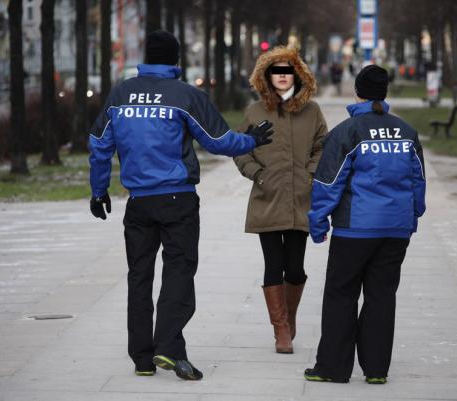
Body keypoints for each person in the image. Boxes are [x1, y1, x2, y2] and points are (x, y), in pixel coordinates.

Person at [88, 30, 273, 380]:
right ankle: (169, 349)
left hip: (138, 203)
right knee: (178, 271)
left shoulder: (120, 94)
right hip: (177, 199)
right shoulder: (185, 95)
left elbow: (98, 143)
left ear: (145, 57)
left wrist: (98, 191)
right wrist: (252, 140)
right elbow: (218, 141)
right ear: (175, 60)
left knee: (139, 277)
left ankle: (142, 358)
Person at [303, 65, 426, 384]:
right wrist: (412, 217)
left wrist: (318, 223)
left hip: (354, 229)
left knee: (341, 294)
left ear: (357, 91)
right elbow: (418, 182)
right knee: (382, 295)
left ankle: (332, 367)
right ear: (385, 93)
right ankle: (376, 370)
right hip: (395, 230)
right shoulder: (407, 132)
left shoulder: (347, 132)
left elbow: (328, 183)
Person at [233, 47, 328, 354]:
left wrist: (311, 174)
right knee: (274, 265)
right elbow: (241, 147)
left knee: (296, 268)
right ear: (266, 77)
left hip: (302, 198)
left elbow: (322, 146)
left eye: (288, 70)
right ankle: (281, 330)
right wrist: (257, 174)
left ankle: (291, 316)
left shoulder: (311, 111)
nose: (282, 76)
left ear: (298, 74)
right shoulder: (255, 111)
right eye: (276, 71)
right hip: (268, 198)